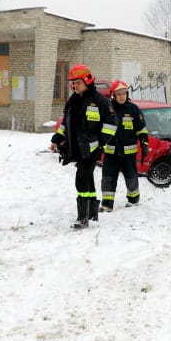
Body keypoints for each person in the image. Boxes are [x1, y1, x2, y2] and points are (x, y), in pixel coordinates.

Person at [50, 64, 117, 229]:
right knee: (88, 179)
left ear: (88, 81)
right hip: (77, 148)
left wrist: (101, 143)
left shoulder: (100, 101)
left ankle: (83, 217)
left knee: (81, 179)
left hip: (92, 148)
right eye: (73, 82)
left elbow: (111, 124)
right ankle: (92, 213)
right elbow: (66, 123)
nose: (75, 85)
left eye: (78, 82)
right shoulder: (73, 101)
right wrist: (57, 138)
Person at [100, 80, 149, 212]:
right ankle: (107, 204)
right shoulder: (108, 109)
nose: (122, 96)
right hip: (111, 152)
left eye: (124, 93)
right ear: (113, 95)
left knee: (131, 176)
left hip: (129, 153)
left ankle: (133, 199)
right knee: (108, 177)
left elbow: (142, 129)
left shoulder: (133, 109)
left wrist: (144, 143)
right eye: (119, 94)